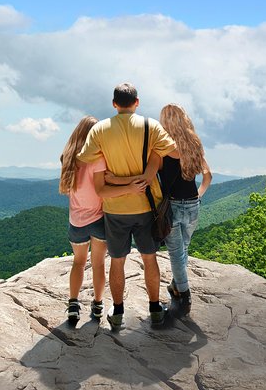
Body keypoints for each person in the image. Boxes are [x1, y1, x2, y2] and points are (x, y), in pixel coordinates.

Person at [78, 82, 177, 330]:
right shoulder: (150, 126)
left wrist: (112, 173)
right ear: (137, 102)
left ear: (114, 104)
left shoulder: (100, 130)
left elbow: (84, 157)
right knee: (149, 258)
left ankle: (118, 311)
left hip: (115, 208)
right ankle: (155, 309)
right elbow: (173, 151)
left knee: (118, 261)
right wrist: (152, 158)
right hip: (147, 206)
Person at [59, 116, 147, 324]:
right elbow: (104, 188)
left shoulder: (67, 158)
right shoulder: (97, 159)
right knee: (98, 264)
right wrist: (131, 186)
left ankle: (73, 304)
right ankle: (97, 305)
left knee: (78, 263)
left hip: (76, 220)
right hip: (99, 219)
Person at [158, 103, 212, 317]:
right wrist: (198, 195)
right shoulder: (195, 145)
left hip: (171, 206)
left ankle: (184, 295)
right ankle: (175, 287)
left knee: (176, 254)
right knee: (183, 251)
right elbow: (208, 176)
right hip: (192, 205)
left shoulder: (162, 147)